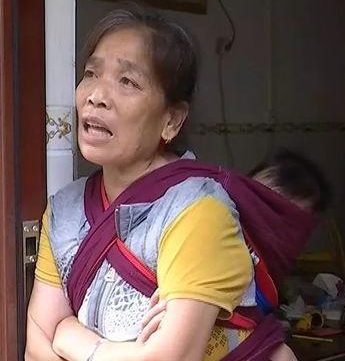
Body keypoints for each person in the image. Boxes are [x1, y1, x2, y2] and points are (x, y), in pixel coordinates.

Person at [25, 4, 315, 361]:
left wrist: (76, 341)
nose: (96, 95)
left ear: (172, 121)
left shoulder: (198, 211)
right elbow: (37, 347)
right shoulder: (65, 211)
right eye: (91, 73)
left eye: (127, 82)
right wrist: (134, 352)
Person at [138, 149, 332, 361]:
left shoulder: (264, 280)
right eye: (258, 196)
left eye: (277, 211)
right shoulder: (207, 225)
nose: (260, 213)